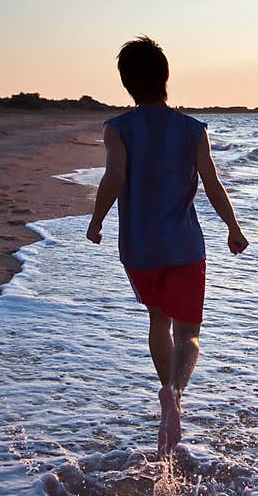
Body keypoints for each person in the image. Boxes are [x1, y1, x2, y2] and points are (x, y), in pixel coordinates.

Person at [86, 35, 248, 459]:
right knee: (189, 332)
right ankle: (175, 394)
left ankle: (164, 389)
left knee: (158, 320)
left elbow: (114, 178)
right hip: (184, 248)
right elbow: (212, 184)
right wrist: (233, 227)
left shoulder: (117, 128)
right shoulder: (193, 130)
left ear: (127, 84)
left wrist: (96, 220)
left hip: (139, 248)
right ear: (166, 77)